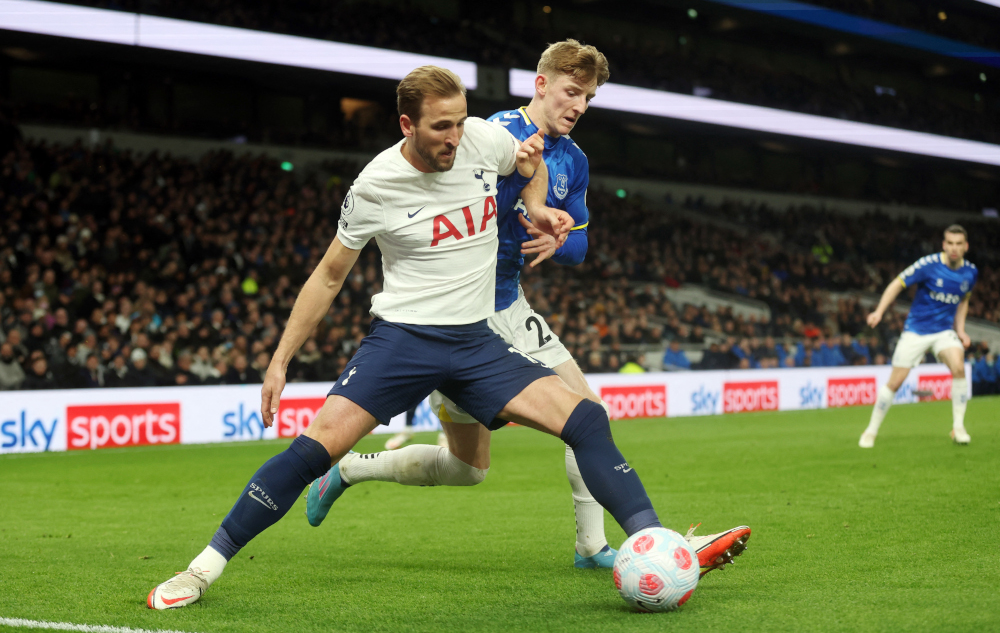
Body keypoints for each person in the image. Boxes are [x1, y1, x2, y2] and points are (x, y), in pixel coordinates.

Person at [148, 65, 712, 610]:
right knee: (313, 450)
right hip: (404, 340)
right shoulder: (375, 184)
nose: (455, 137)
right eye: (441, 126)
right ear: (406, 126)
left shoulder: (482, 141)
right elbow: (328, 275)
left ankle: (651, 543)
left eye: (460, 122)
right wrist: (280, 360)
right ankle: (201, 570)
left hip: (476, 342)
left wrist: (537, 208)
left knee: (586, 420)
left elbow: (530, 155)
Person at [304, 41, 749, 572]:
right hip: (457, 315)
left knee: (571, 421)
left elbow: (581, 245)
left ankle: (592, 547)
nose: (579, 105)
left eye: (588, 97)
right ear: (541, 85)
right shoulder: (491, 134)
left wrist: (557, 238)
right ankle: (348, 469)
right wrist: (521, 210)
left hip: (511, 305)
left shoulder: (575, 161)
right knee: (472, 467)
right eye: (571, 92)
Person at [859, 225, 977, 448]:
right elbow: (897, 283)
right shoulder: (928, 265)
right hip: (916, 331)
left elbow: (964, 300)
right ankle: (870, 431)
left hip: (943, 332)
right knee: (895, 383)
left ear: (966, 246)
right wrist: (879, 311)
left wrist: (960, 330)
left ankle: (959, 428)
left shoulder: (971, 272)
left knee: (959, 367)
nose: (954, 248)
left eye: (958, 244)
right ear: (943, 244)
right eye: (949, 243)